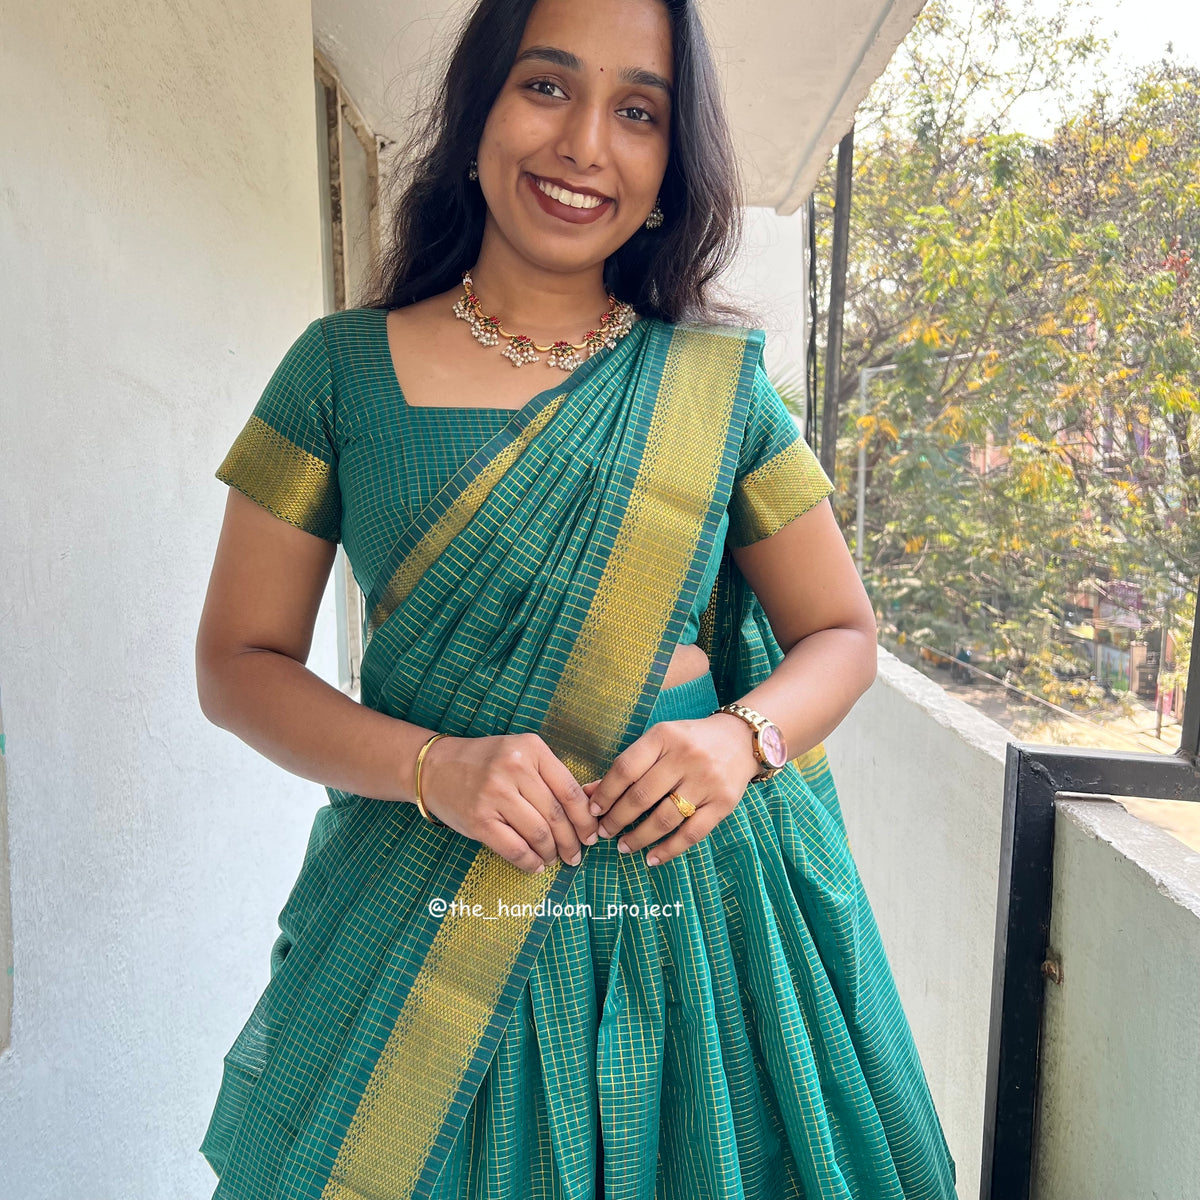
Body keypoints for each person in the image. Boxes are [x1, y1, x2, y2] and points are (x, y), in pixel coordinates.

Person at [194, 0, 959, 1196]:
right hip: (428, 902)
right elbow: (238, 664)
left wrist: (739, 739)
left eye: (638, 112)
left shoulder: (717, 390)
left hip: (699, 919)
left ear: (669, 168)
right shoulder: (338, 373)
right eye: (545, 86)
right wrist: (434, 768)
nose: (585, 143)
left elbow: (842, 633)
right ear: (478, 114)